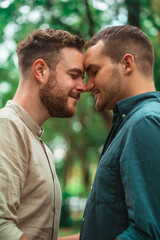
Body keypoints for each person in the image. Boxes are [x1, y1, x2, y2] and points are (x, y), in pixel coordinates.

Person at [0, 28, 86, 240]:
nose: (83, 86)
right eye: (74, 75)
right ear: (40, 71)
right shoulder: (7, 126)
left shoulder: (41, 146)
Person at [79, 25, 160, 239]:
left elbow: (147, 233)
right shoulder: (130, 123)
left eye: (94, 71)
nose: (87, 86)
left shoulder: (145, 122)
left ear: (127, 64)